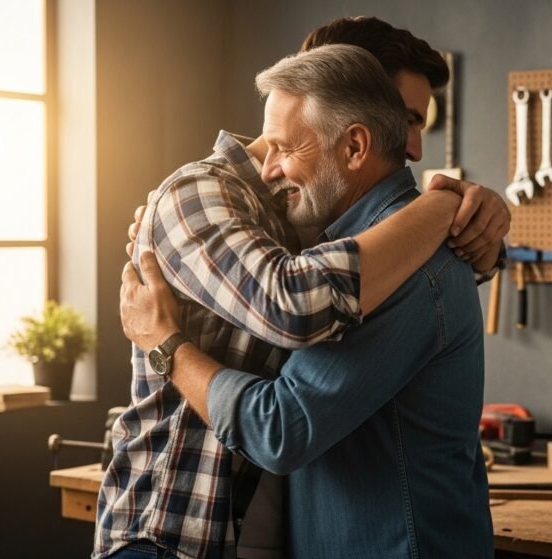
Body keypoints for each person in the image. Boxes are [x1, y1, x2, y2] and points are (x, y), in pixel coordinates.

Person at [96, 21, 507, 559]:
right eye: (401, 114)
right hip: (168, 534)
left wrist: (469, 219)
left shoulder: (378, 247)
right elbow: (291, 305)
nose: (410, 144)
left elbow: (279, 427)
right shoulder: (225, 198)